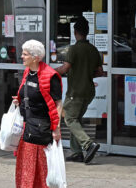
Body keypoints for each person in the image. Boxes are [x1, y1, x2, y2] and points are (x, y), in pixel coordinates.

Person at [12, 40, 62, 188]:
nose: (21, 56)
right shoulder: (28, 73)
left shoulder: (50, 76)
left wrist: (56, 128)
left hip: (41, 129)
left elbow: (58, 104)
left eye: (25, 54)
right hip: (26, 126)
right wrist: (19, 101)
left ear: (36, 57)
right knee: (26, 166)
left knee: (41, 168)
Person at [56, 16, 103, 164]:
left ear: (75, 32)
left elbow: (65, 68)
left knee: (69, 118)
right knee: (76, 119)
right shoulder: (93, 50)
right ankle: (76, 152)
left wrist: (50, 72)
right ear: (87, 32)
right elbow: (100, 72)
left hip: (75, 91)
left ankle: (88, 144)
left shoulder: (74, 49)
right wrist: (87, 74)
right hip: (88, 91)